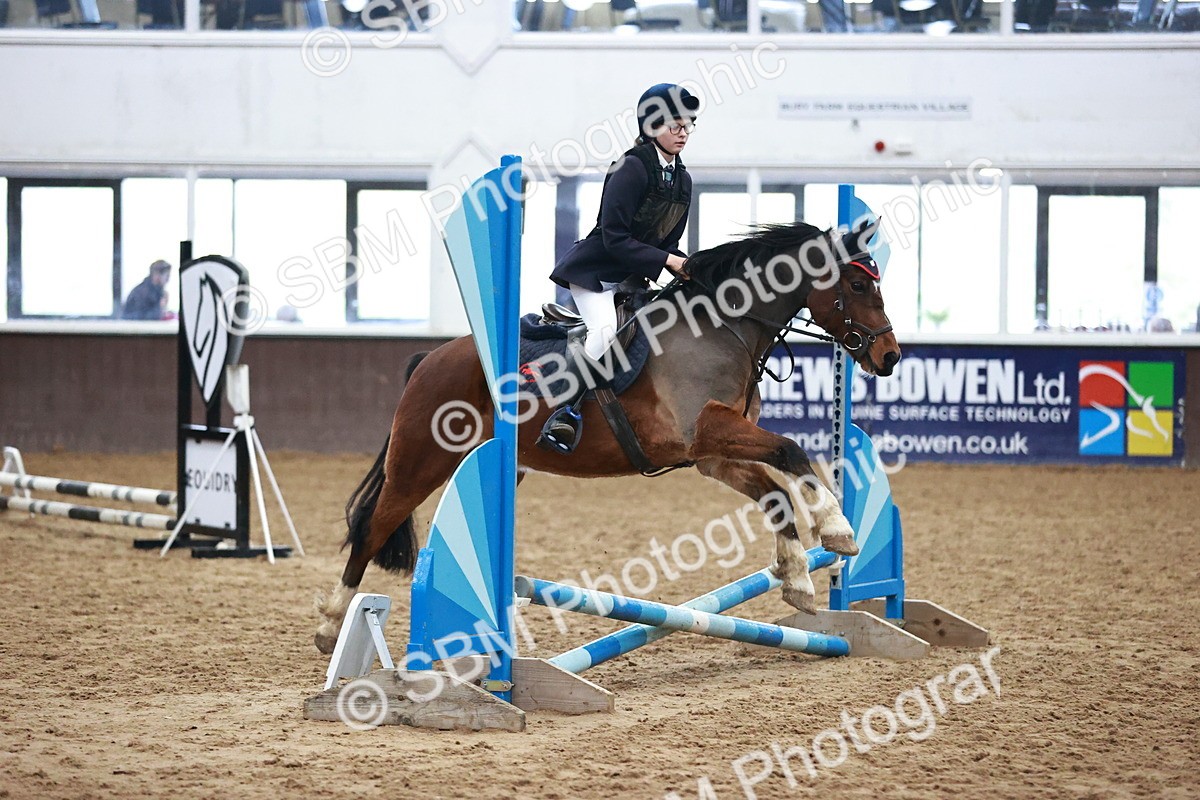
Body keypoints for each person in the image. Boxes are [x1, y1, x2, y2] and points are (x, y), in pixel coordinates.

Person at [536, 82, 698, 454]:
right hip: (596, 272)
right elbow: (615, 238)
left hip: (632, 278)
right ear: (651, 125)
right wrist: (669, 261)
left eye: (688, 124)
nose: (683, 132)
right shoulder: (630, 168)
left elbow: (667, 244)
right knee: (605, 329)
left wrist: (691, 269)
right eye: (675, 124)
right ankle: (565, 412)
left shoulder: (682, 181)